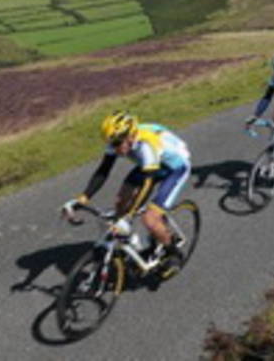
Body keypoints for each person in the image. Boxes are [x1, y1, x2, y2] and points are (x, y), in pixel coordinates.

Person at [61, 111, 192, 273]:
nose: (114, 148)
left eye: (117, 143)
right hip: (150, 165)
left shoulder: (146, 146)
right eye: (111, 143)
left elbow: (147, 185)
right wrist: (82, 198)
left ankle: (173, 253)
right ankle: (130, 241)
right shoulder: (118, 141)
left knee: (150, 218)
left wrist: (129, 217)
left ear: (131, 136)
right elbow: (103, 171)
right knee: (120, 202)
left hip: (175, 169)